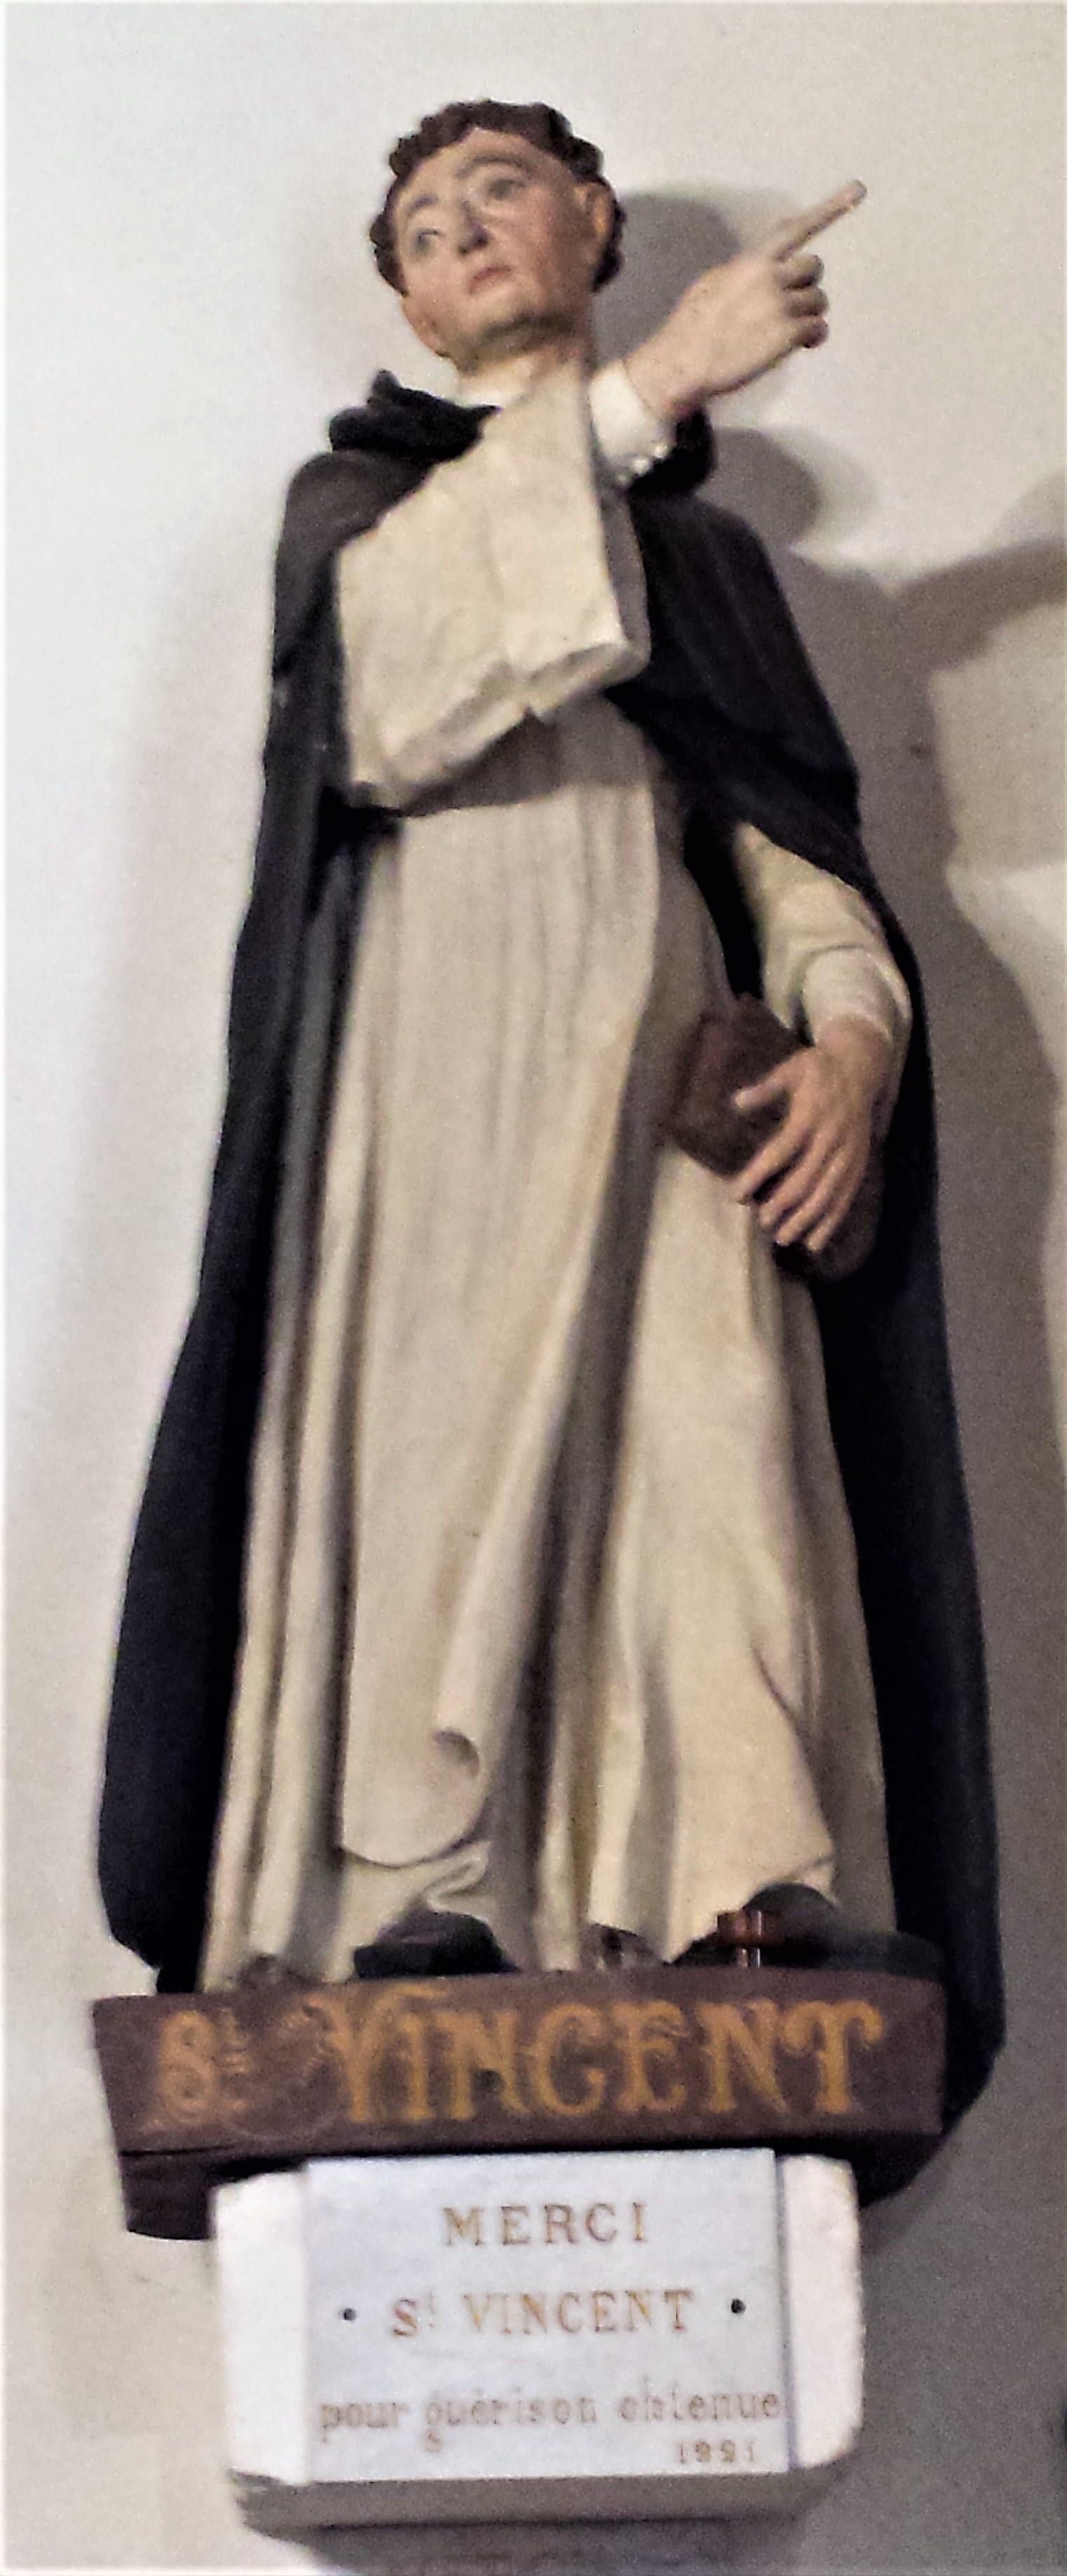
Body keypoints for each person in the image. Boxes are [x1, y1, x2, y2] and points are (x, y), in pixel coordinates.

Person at [98, 102, 1003, 2126]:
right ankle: (423, 1897)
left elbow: (785, 853)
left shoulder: (709, 567)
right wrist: (650, 387)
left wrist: (851, 1042)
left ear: (591, 220)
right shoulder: (360, 506)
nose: (462, 230)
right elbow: (389, 702)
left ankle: (730, 1887)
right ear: (412, 307)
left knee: (712, 1440)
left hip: (662, 1057)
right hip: (431, 1059)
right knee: (431, 1456)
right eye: (423, 225)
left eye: (498, 188)